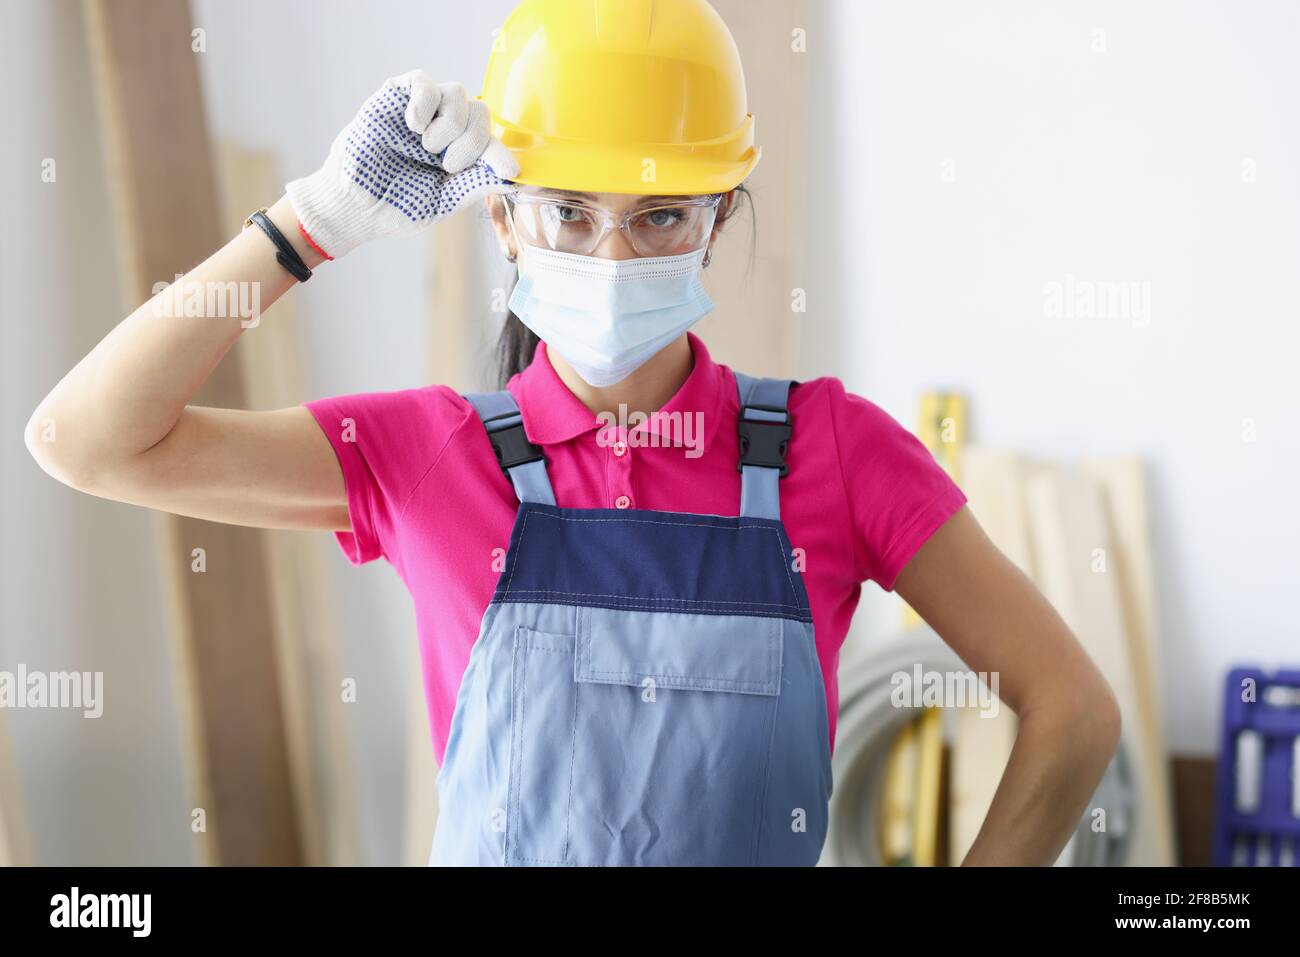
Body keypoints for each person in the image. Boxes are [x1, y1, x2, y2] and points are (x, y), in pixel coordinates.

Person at [25, 0, 1120, 866]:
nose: (610, 257)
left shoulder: (830, 451)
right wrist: (314, 221)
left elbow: (1070, 708)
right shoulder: (427, 457)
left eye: (658, 217)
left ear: (716, 217)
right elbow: (86, 439)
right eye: (569, 212)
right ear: (499, 215)